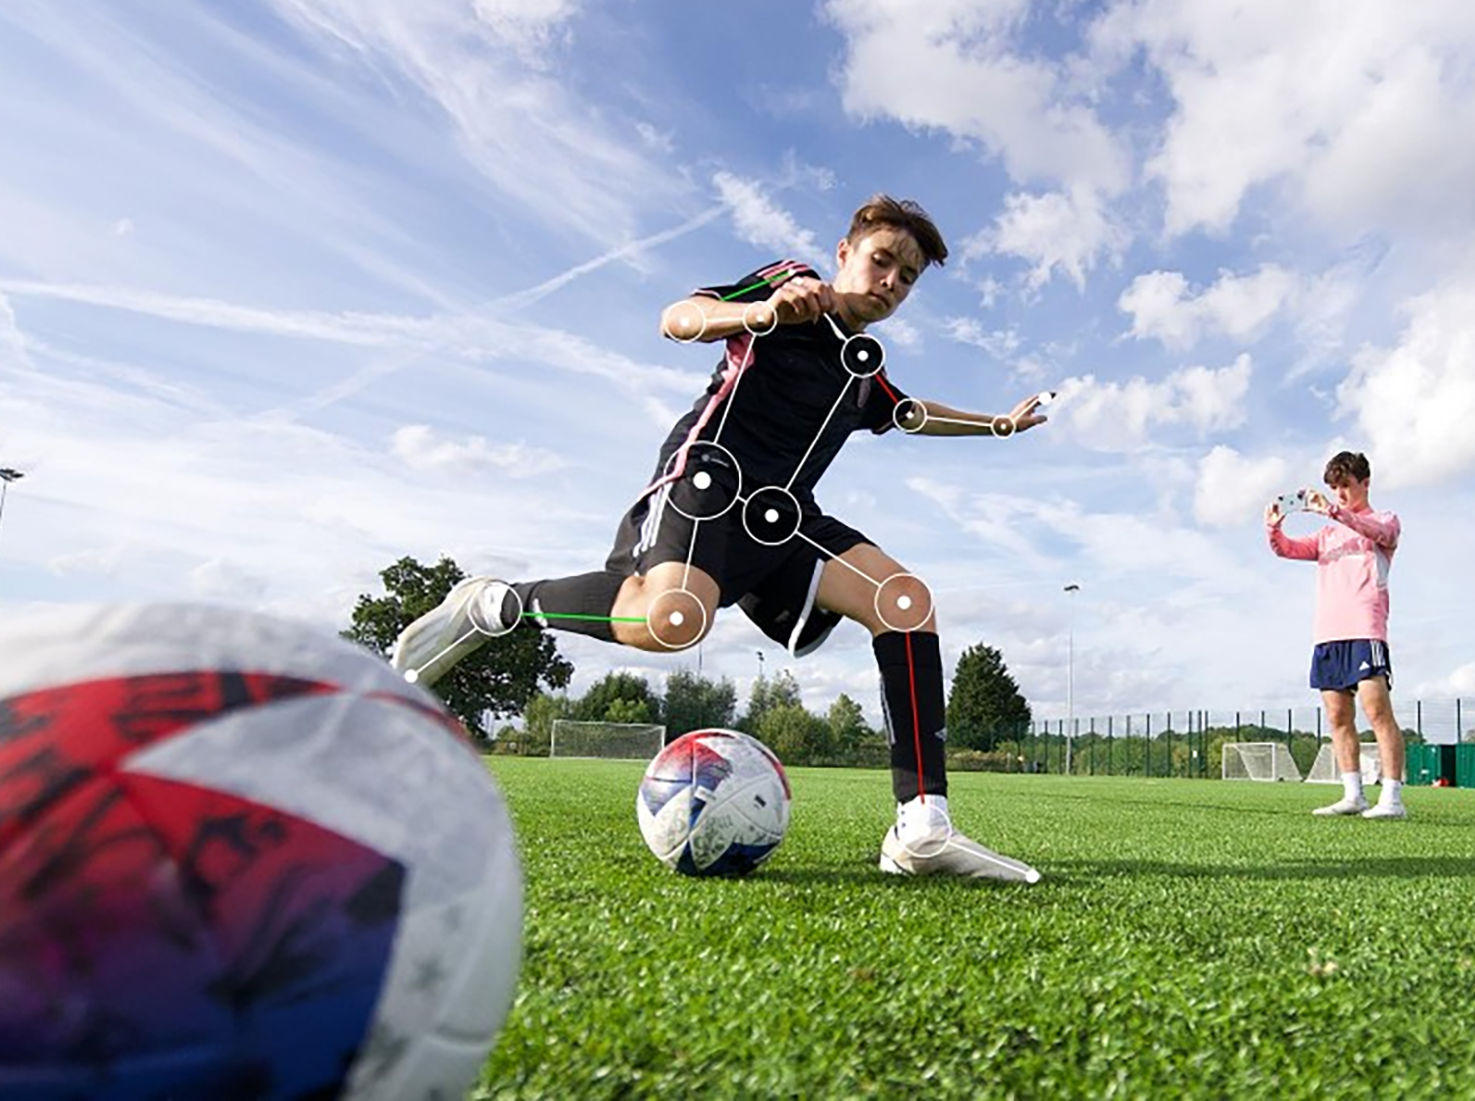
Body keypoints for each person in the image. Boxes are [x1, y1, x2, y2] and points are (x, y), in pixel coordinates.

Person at [392, 195, 1047, 881]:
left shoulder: (862, 369)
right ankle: (497, 605)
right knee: (672, 622)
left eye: (907, 277)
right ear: (844, 252)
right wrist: (761, 314)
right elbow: (679, 318)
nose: (890, 282)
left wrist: (999, 425)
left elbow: (913, 413)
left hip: (785, 516)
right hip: (710, 483)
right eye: (881, 260)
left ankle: (922, 828)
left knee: (903, 600)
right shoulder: (789, 282)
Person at [1265, 451, 1407, 820]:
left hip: (1366, 629)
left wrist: (1333, 511)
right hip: (1328, 634)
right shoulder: (1327, 535)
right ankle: (1353, 795)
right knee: (1338, 716)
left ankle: (1392, 799)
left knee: (1377, 711)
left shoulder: (1384, 521)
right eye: (1334, 488)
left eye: (1345, 485)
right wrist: (1274, 527)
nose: (1340, 494)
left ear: (1365, 483)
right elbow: (1286, 549)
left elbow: (1382, 534)